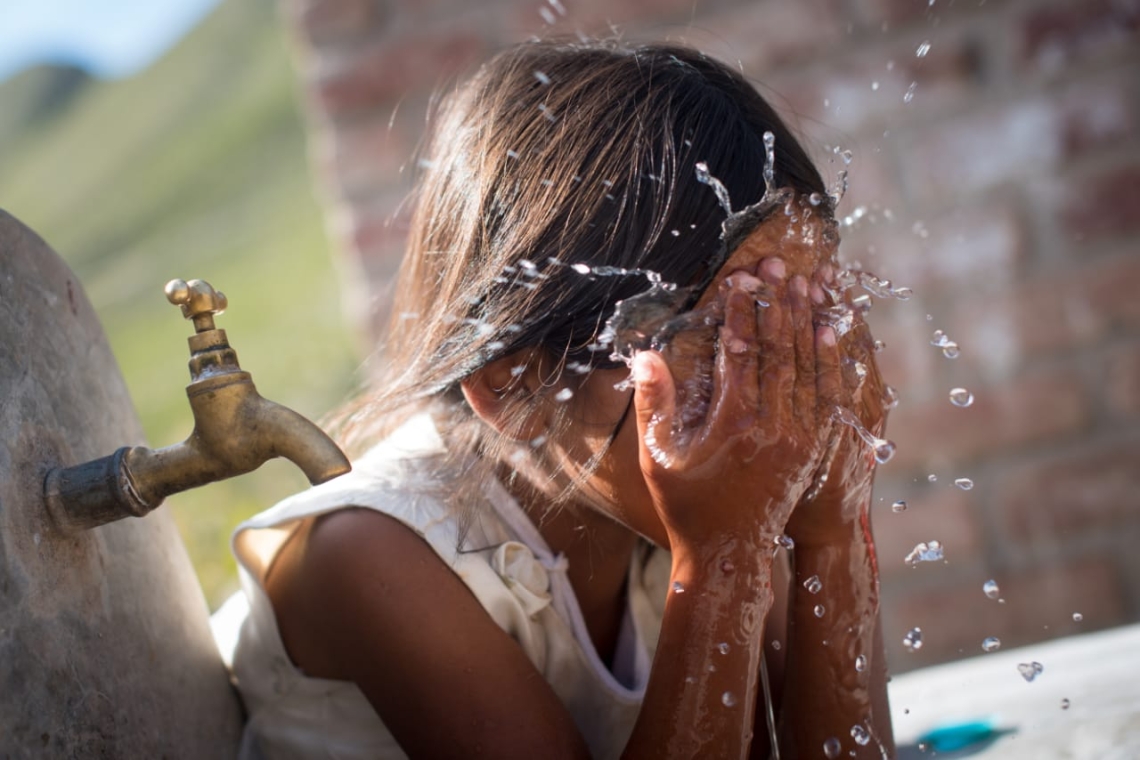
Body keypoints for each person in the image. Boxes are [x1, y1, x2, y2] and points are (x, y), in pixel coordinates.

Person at [213, 38, 895, 759]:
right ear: (517, 386)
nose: (779, 391)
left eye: (805, 323)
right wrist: (724, 556)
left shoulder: (717, 485)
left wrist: (832, 532)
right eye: (720, 342)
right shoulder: (371, 557)